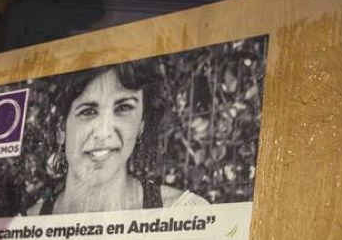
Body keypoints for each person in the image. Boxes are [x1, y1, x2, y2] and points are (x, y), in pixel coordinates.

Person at [27, 60, 208, 215]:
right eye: (88, 111)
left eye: (123, 108)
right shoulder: (29, 224)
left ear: (141, 123)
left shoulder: (182, 213)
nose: (104, 132)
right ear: (61, 127)